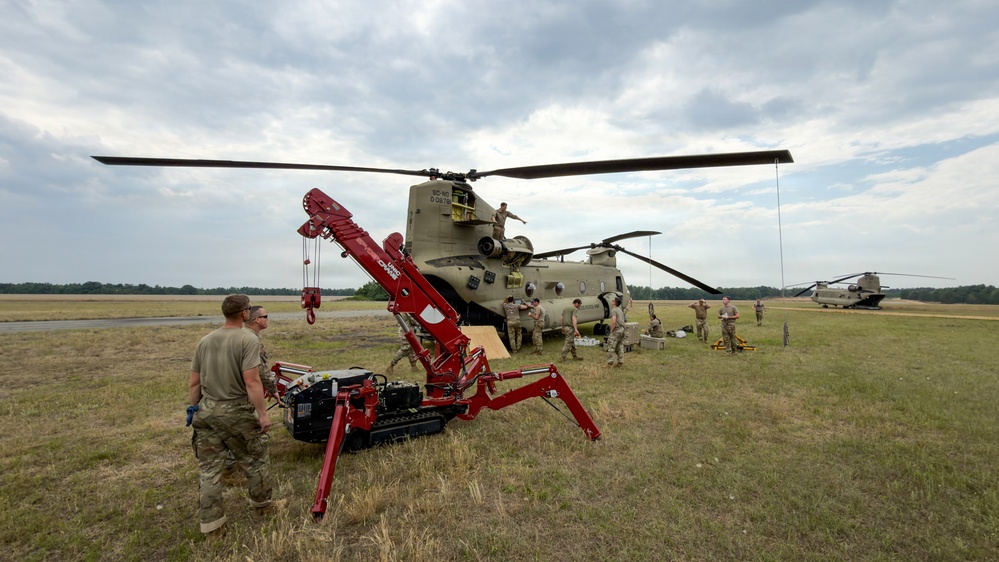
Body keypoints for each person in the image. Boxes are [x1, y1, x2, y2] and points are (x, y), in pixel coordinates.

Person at [189, 294, 284, 538]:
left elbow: (194, 383)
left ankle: (212, 526)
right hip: (236, 410)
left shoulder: (205, 340)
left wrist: (194, 410)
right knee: (256, 461)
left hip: (207, 411)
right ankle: (263, 506)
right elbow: (252, 381)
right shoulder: (247, 339)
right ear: (244, 314)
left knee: (209, 471)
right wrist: (263, 415)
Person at [222, 305, 277, 485]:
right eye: (266, 316)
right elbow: (260, 371)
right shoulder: (251, 340)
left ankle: (228, 465)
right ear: (257, 320)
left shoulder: (236, 335)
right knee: (250, 432)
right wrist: (274, 390)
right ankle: (232, 470)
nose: (268, 318)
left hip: (227, 392)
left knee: (235, 430)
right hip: (242, 394)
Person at [606, 296, 626, 367]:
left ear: (615, 303)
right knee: (619, 346)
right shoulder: (620, 310)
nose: (612, 301)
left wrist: (611, 331)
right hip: (622, 329)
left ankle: (610, 363)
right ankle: (620, 362)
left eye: (613, 300)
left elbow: (613, 322)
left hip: (617, 330)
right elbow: (623, 321)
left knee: (611, 345)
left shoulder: (613, 310)